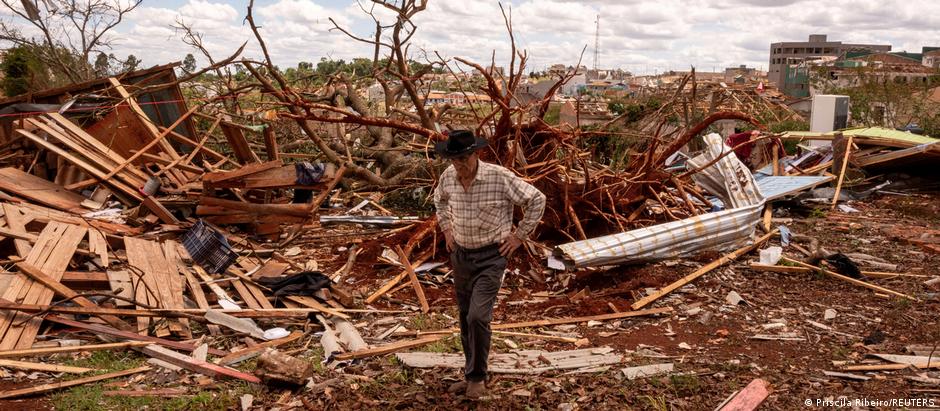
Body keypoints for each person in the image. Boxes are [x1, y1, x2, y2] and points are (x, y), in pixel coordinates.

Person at [433, 130, 546, 399]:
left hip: (491, 258)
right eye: (453, 159)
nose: (458, 165)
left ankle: (477, 377)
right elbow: (439, 201)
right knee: (464, 317)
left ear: (475, 154)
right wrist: (447, 229)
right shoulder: (448, 177)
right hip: (461, 256)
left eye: (462, 158)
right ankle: (471, 373)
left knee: (478, 317)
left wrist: (519, 237)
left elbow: (536, 199)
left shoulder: (498, 177)